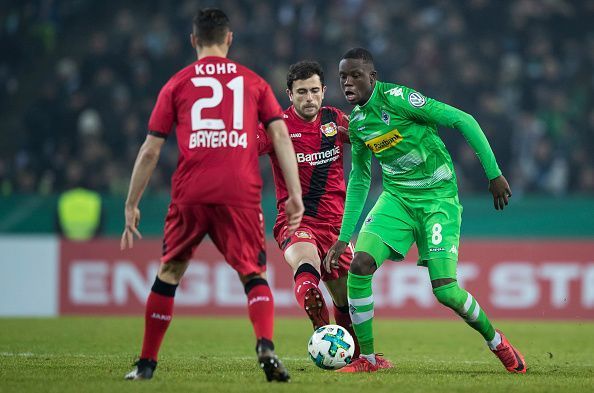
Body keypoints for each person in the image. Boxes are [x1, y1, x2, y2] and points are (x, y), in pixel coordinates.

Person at [121, 8, 303, 382]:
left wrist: (131, 203)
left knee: (169, 272)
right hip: (239, 190)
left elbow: (151, 149)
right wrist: (294, 194)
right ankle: (265, 344)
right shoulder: (253, 83)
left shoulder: (176, 83)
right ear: (229, 39)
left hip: (190, 191)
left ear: (193, 40)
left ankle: (145, 364)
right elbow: (281, 136)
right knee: (253, 273)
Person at [325, 48, 526, 373]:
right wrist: (343, 237)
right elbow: (360, 180)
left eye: (355, 75)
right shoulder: (359, 124)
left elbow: (463, 119)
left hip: (437, 201)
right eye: (343, 77)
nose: (348, 82)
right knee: (359, 265)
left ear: (372, 77)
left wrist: (494, 172)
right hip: (397, 200)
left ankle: (497, 341)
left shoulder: (399, 99)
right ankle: (369, 360)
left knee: (446, 291)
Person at [258, 60, 366, 360]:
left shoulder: (335, 119)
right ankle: (316, 315)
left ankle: (353, 358)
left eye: (314, 91)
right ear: (289, 94)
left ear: (324, 91)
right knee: (306, 268)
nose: (309, 98)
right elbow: (242, 150)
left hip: (336, 227)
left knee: (346, 301)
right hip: (297, 220)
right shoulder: (275, 126)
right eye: (302, 92)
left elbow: (367, 137)